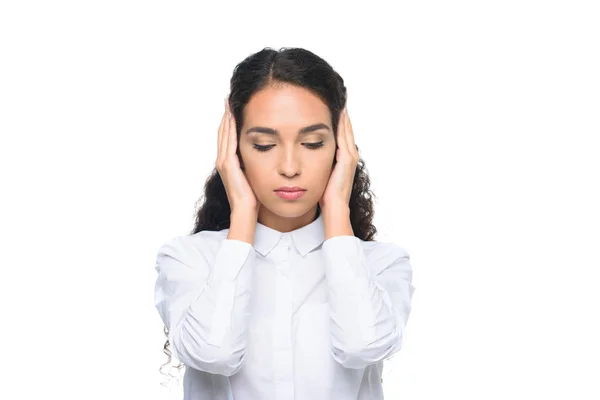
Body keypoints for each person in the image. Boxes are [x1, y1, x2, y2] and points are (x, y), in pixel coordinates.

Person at [153, 47, 416, 400]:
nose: (289, 167)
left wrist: (337, 205)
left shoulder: (382, 264)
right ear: (233, 150)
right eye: (263, 145)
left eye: (312, 143)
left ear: (341, 148)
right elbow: (213, 353)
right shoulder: (188, 260)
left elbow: (362, 346)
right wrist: (243, 210)